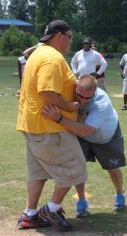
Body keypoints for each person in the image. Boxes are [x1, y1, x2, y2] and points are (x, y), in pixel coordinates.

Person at [16, 20, 87, 231]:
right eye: (70, 37)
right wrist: (68, 105)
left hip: (32, 125)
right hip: (50, 128)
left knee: (37, 173)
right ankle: (52, 209)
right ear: (59, 36)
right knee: (76, 168)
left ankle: (30, 214)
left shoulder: (37, 54)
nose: (70, 42)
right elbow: (46, 91)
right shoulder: (52, 58)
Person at [42, 75, 127, 215]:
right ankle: (81, 201)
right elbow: (48, 95)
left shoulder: (101, 103)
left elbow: (87, 130)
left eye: (88, 98)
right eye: (80, 95)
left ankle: (120, 193)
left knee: (112, 167)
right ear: (76, 86)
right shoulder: (70, 88)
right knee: (78, 168)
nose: (83, 100)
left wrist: (58, 118)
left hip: (105, 136)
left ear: (95, 91)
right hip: (79, 132)